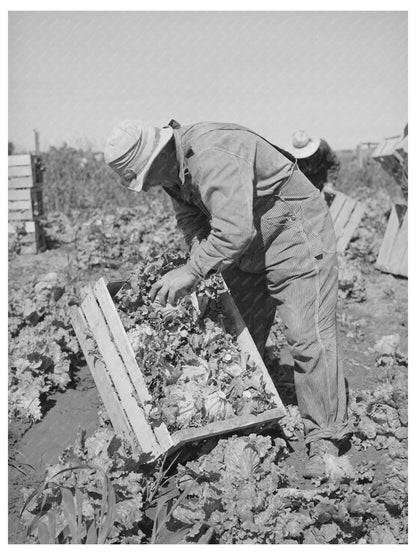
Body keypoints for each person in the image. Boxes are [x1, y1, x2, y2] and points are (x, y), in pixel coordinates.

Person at [104, 119, 351, 479]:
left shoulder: (210, 152)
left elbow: (234, 231)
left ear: (159, 153)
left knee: (307, 334)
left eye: (148, 176)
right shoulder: (173, 171)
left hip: (292, 232)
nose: (153, 185)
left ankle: (326, 442)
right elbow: (191, 219)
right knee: (238, 334)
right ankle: (247, 414)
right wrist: (196, 258)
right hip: (247, 245)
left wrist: (191, 271)